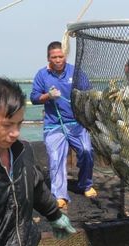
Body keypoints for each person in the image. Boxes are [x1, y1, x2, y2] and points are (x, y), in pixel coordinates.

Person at [0, 77, 77, 246]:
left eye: (19, 124)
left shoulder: (23, 150)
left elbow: (36, 187)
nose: (15, 133)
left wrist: (55, 215)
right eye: (7, 125)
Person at [30, 41, 97, 210]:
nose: (58, 60)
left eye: (61, 56)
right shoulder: (42, 75)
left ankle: (85, 184)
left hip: (76, 123)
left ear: (65, 56)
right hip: (54, 125)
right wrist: (47, 96)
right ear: (48, 58)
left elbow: (88, 92)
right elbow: (34, 97)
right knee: (55, 158)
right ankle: (60, 195)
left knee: (87, 151)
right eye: (54, 57)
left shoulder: (75, 71)